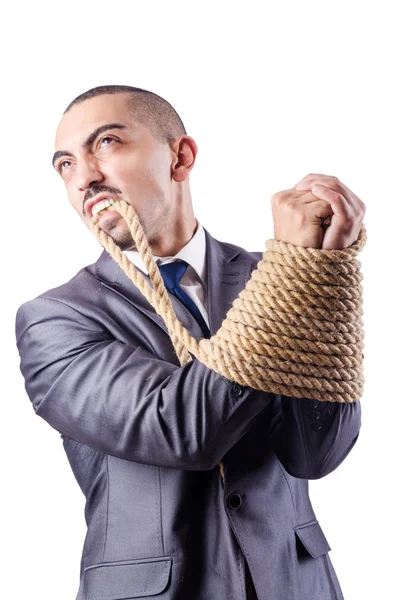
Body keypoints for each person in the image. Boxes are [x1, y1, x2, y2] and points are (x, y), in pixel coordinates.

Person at [15, 85, 366, 600]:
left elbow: (318, 453)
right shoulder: (54, 320)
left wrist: (322, 280)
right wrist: (288, 277)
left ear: (181, 157)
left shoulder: (270, 273)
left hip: (296, 585)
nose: (85, 176)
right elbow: (182, 430)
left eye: (107, 143)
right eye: (65, 164)